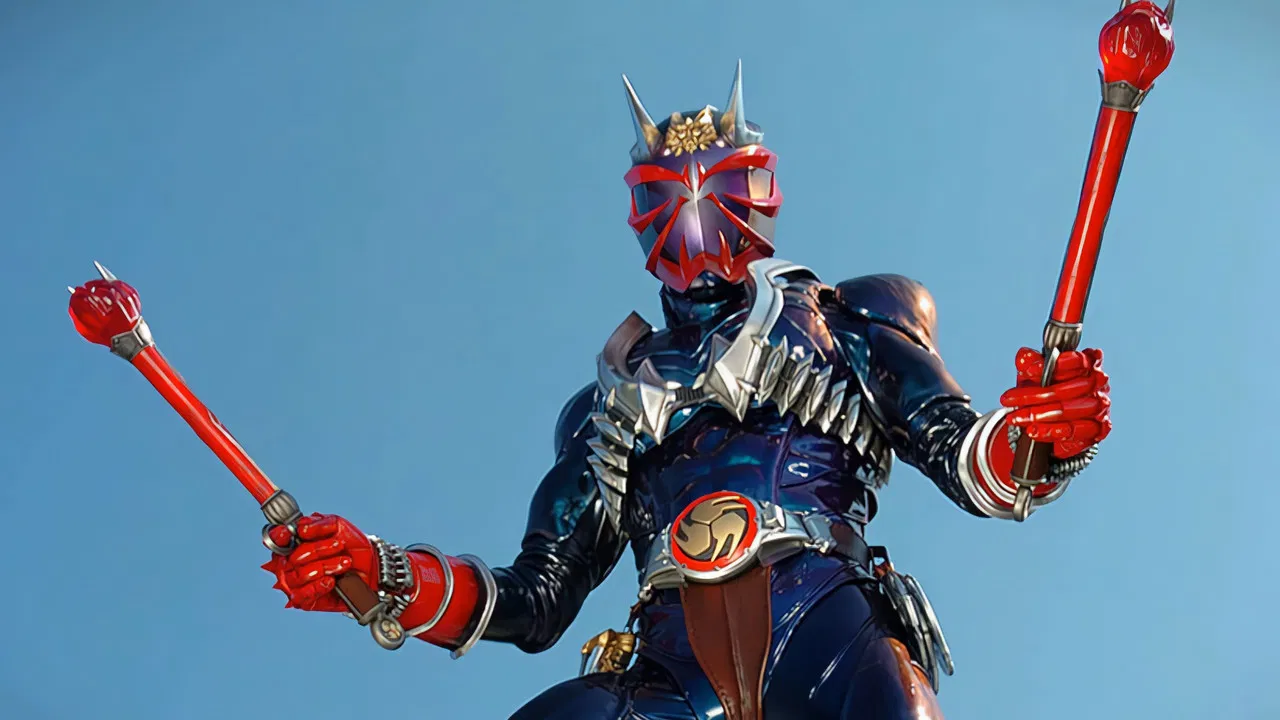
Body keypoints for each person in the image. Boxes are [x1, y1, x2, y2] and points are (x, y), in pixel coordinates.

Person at [262, 64, 1111, 720]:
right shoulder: (604, 406)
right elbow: (538, 595)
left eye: (720, 187)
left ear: (756, 192)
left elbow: (965, 454)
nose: (699, 212)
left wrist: (1040, 435)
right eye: (673, 195)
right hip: (670, 665)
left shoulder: (840, 320)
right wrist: (385, 576)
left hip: (822, 620)